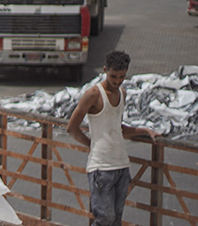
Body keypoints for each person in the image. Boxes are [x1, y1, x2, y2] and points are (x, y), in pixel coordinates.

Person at [66, 51, 159, 226]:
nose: (117, 81)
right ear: (105, 70)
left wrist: (145, 131)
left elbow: (118, 128)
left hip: (122, 166)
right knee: (105, 218)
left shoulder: (122, 93)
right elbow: (72, 128)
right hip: (101, 168)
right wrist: (90, 144)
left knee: (115, 220)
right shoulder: (93, 94)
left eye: (122, 77)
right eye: (113, 76)